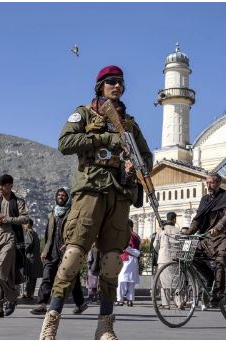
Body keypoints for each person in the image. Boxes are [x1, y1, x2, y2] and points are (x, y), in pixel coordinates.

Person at [40, 65, 152, 340]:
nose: (117, 86)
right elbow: (65, 142)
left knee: (112, 260)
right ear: (100, 86)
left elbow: (147, 158)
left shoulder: (130, 125)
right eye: (111, 82)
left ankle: (105, 326)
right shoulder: (85, 113)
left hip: (119, 194)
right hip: (90, 190)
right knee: (74, 255)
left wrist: (133, 166)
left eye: (121, 83)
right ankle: (51, 321)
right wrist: (104, 138)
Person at [186, 171, 226, 308]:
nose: (208, 185)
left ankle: (224, 292)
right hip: (207, 238)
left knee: (222, 258)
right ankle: (210, 277)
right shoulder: (205, 199)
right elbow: (198, 219)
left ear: (218, 183)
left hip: (223, 237)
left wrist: (218, 227)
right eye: (207, 182)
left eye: (211, 182)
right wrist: (189, 232)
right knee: (189, 253)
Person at [30, 187, 87, 316]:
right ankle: (42, 304)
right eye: (59, 195)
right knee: (47, 277)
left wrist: (69, 244)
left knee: (73, 278)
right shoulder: (52, 213)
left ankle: (80, 303)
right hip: (52, 251)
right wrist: (45, 250)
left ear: (68, 198)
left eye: (63, 195)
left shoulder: (73, 213)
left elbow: (77, 231)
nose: (60, 197)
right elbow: (47, 234)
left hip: (67, 251)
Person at [0, 174, 29, 318]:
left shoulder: (19, 202)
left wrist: (7, 220)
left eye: (2, 185)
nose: (0, 188)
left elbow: (25, 218)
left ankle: (12, 298)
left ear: (10, 186)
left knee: (0, 273)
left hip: (11, 240)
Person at [153, 212, 181, 308]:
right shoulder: (178, 230)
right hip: (176, 258)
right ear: (174, 219)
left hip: (163, 258)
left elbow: (155, 245)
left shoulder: (161, 230)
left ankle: (166, 304)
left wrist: (160, 251)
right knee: (176, 281)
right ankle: (178, 302)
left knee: (164, 282)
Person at [116, 220, 141, 307]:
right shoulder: (136, 236)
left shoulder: (127, 235)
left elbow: (126, 246)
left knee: (121, 281)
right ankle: (130, 300)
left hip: (126, 259)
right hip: (134, 260)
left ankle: (120, 300)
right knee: (131, 282)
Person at [22, 219, 43, 301]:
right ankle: (30, 294)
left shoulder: (29, 232)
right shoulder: (35, 233)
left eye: (24, 224)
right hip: (35, 259)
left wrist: (23, 250)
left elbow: (29, 243)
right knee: (33, 278)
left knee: (29, 277)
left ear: (28, 224)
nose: (23, 227)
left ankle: (28, 294)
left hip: (30, 258)